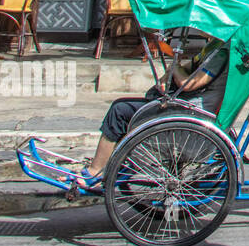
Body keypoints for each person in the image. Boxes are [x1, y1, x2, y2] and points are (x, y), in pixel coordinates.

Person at [71, 36, 229, 187]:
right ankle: (104, 167)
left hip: (188, 111)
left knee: (119, 111)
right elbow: (181, 71)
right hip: (181, 106)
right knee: (124, 106)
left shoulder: (219, 54)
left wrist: (175, 69)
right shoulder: (212, 47)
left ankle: (95, 172)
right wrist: (172, 71)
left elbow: (188, 83)